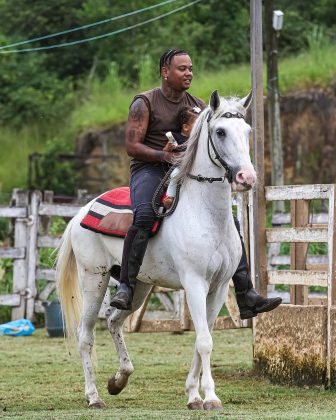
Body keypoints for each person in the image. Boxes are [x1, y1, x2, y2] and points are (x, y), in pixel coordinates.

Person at [110, 49, 282, 319]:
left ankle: (246, 293)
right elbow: (132, 146)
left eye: (190, 68)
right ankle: (126, 286)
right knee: (144, 214)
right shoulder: (144, 103)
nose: (189, 72)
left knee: (228, 220)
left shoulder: (200, 106)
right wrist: (163, 154)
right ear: (165, 72)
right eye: (182, 68)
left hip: (187, 171)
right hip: (149, 169)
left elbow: (211, 143)